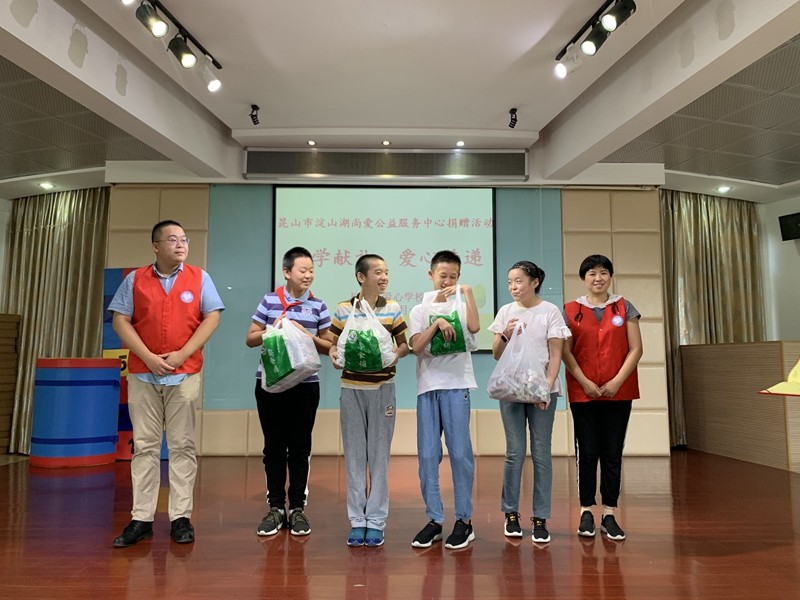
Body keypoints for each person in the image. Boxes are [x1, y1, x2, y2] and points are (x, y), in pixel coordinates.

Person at [109, 220, 224, 547]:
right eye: (172, 239)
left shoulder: (200, 278)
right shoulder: (135, 280)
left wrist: (181, 354)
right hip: (143, 375)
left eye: (184, 239)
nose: (180, 244)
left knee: (182, 445)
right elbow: (120, 319)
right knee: (144, 446)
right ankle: (141, 518)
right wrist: (147, 355)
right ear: (156, 246)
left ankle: (181, 517)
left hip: (184, 373)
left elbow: (212, 317)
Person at [245, 247, 332, 537]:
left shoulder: (318, 306)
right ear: (287, 272)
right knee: (273, 447)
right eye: (302, 270)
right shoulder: (270, 301)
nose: (308, 275)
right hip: (269, 385)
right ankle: (275, 508)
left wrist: (304, 333)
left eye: (311, 270)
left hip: (305, 387)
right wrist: (275, 329)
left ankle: (297, 508)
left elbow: (329, 345)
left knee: (300, 447)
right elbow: (250, 339)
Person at [328, 254, 410, 547]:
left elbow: (405, 345)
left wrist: (394, 354)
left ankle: (375, 521)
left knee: (378, 456)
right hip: (351, 389)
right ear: (362, 277)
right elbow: (332, 343)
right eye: (378, 272)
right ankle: (357, 520)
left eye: (386, 272)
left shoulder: (393, 309)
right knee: (354, 457)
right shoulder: (342, 309)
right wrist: (332, 354)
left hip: (383, 389)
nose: (384, 277)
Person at [561, 254, 642, 541]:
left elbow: (636, 349)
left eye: (604, 272)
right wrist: (583, 381)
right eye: (592, 273)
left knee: (612, 452)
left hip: (619, 392)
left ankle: (609, 513)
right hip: (583, 393)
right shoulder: (570, 310)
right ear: (583, 278)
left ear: (610, 276)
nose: (598, 278)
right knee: (588, 451)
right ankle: (586, 511)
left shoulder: (625, 306)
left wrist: (617, 381)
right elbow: (565, 351)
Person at [488, 261, 570, 544]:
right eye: (510, 282)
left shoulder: (550, 312)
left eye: (519, 281)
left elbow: (555, 354)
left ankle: (541, 517)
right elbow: (497, 354)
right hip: (511, 389)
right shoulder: (505, 312)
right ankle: (511, 513)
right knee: (514, 451)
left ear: (535, 282)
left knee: (541, 452)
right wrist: (505, 333)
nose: (513, 287)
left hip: (541, 393)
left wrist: (545, 390)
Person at [408, 250, 480, 550]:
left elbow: (474, 329)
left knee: (461, 454)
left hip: (457, 385)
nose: (447, 281)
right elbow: (415, 347)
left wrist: (468, 293)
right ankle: (435, 519)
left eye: (453, 276)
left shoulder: (463, 304)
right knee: (427, 455)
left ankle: (464, 521)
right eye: (442, 276)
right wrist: (436, 324)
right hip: (428, 387)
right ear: (430, 275)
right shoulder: (419, 309)